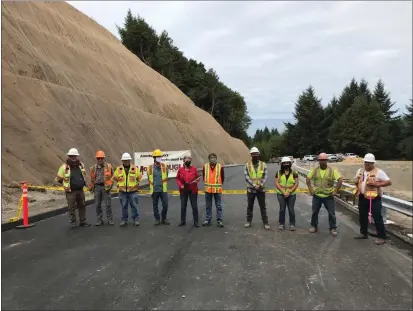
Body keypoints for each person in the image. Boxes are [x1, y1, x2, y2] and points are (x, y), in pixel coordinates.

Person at [353, 153, 391, 245]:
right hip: (362, 197)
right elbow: (355, 181)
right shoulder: (360, 171)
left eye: (369, 163)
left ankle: (381, 237)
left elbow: (388, 182)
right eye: (366, 162)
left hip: (374, 198)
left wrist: (377, 184)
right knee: (362, 216)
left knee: (377, 217)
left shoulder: (378, 172)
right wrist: (356, 179)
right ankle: (364, 233)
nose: (367, 164)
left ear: (373, 163)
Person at [306, 152, 342, 236]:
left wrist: (336, 191)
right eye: (321, 160)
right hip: (317, 195)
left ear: (327, 160)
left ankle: (333, 228)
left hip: (328, 196)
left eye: (324, 160)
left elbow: (340, 180)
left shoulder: (332, 170)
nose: (322, 162)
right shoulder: (314, 170)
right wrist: (311, 190)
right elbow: (308, 179)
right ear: (318, 160)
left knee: (331, 212)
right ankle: (314, 226)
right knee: (314, 212)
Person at [55, 148, 90, 229]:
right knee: (71, 207)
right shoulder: (64, 167)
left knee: (82, 205)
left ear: (77, 156)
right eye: (71, 156)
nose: (73, 157)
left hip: (80, 190)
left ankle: (83, 221)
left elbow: (84, 175)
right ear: (69, 156)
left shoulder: (81, 165)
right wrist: (65, 185)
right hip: (71, 191)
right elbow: (58, 179)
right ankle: (73, 222)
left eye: (74, 156)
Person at [244, 147, 270, 230]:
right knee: (250, 206)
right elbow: (246, 176)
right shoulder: (247, 165)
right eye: (253, 154)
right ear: (251, 155)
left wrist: (260, 185)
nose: (255, 155)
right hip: (251, 189)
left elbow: (265, 176)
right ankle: (248, 221)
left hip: (261, 190)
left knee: (263, 206)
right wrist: (254, 185)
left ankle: (265, 222)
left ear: (258, 154)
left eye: (256, 154)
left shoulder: (263, 164)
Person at [112, 152, 141, 227]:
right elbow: (114, 177)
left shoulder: (135, 168)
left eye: (127, 160)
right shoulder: (119, 169)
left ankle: (136, 219)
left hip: (133, 191)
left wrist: (136, 184)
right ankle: (124, 220)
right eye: (125, 160)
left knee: (134, 206)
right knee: (124, 206)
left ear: (130, 160)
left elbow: (139, 177)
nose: (126, 161)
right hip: (123, 192)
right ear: (122, 161)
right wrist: (119, 179)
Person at [89, 150, 114, 226]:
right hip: (97, 187)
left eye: (101, 158)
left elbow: (113, 176)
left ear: (104, 158)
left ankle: (110, 219)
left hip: (106, 187)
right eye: (98, 158)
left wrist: (110, 185)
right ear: (97, 159)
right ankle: (99, 220)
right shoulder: (93, 168)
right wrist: (91, 187)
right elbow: (92, 178)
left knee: (108, 204)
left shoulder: (109, 166)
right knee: (97, 204)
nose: (100, 160)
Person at [275, 156, 299, 231]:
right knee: (282, 209)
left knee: (291, 209)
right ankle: (281, 224)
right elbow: (276, 183)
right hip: (281, 194)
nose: (286, 164)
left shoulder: (294, 173)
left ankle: (292, 224)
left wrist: (290, 192)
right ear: (282, 164)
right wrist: (283, 192)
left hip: (291, 194)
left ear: (290, 163)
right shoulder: (278, 173)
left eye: (287, 163)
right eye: (284, 163)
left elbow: (296, 184)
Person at [176, 155, 200, 227]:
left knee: (194, 206)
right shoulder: (180, 170)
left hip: (193, 190)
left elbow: (198, 177)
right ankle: (182, 221)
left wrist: (195, 181)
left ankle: (196, 222)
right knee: (183, 206)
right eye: (186, 159)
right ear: (183, 160)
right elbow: (177, 179)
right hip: (183, 190)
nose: (188, 160)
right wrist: (180, 185)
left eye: (189, 159)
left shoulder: (194, 169)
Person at [148, 149, 170, 225]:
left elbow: (166, 175)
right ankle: (157, 219)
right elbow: (149, 178)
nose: (159, 158)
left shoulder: (165, 166)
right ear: (154, 158)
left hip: (163, 189)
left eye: (160, 156)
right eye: (157, 156)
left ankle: (164, 218)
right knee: (155, 205)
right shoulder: (150, 168)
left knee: (165, 205)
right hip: (154, 190)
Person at [202, 153, 225, 227]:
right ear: (209, 159)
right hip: (208, 190)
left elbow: (222, 177)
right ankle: (208, 220)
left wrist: (219, 185)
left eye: (214, 157)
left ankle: (219, 220)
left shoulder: (220, 166)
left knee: (218, 206)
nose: (213, 159)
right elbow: (204, 176)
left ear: (216, 158)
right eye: (211, 157)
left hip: (217, 190)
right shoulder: (205, 166)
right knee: (208, 206)